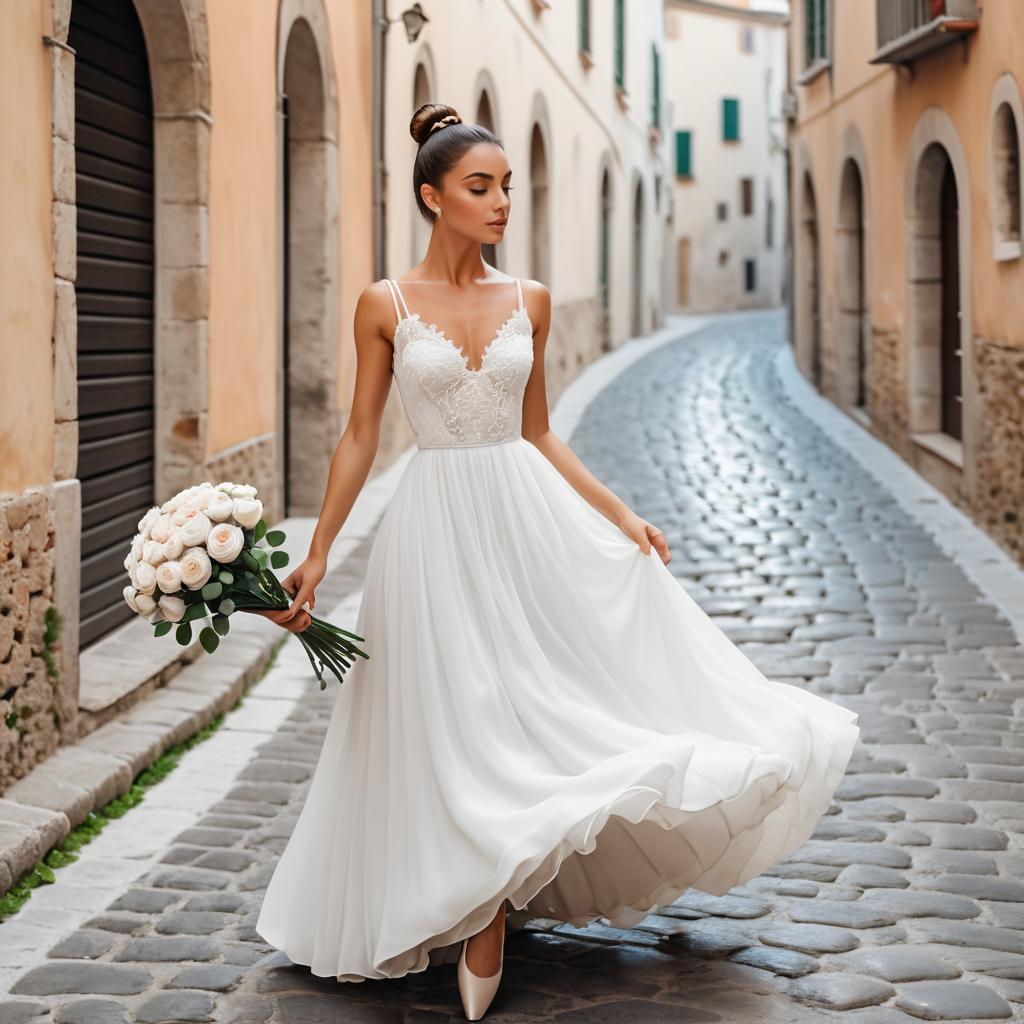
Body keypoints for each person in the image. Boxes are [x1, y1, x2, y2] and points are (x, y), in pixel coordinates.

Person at [250, 103, 860, 1021]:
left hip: (523, 519)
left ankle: (494, 894)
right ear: (432, 196)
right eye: (480, 187)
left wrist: (622, 514)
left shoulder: (528, 299)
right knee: (451, 711)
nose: (501, 203)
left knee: (526, 703)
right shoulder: (384, 303)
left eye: (506, 187)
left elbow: (539, 430)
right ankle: (479, 898)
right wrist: (320, 554)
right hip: (431, 526)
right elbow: (360, 435)